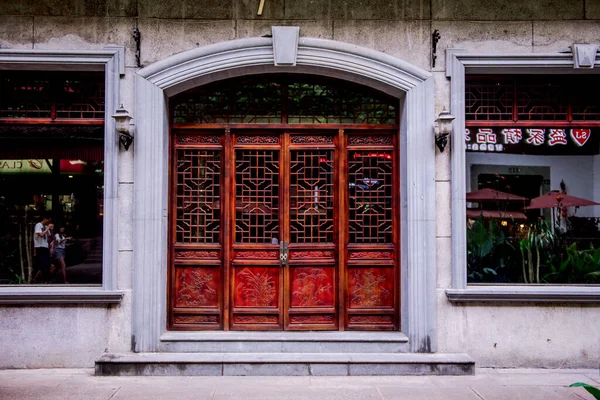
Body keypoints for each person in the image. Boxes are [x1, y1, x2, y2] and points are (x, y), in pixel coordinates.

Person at [33, 215, 54, 283]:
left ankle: (46, 279)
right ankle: (38, 278)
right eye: (48, 220)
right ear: (45, 218)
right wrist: (47, 228)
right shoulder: (38, 225)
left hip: (45, 246)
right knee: (42, 263)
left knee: (47, 263)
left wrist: (51, 229)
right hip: (39, 246)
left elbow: (50, 237)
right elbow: (41, 234)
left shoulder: (45, 227)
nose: (48, 222)